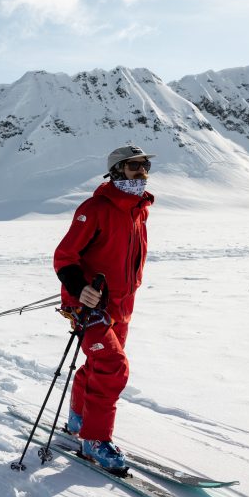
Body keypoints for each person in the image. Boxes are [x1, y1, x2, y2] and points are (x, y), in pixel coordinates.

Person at [53, 145, 155, 471]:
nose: (141, 172)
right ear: (116, 170)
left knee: (99, 364)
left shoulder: (138, 210)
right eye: (133, 166)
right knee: (112, 366)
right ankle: (94, 439)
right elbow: (64, 257)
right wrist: (79, 290)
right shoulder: (94, 209)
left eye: (145, 166)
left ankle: (78, 419)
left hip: (121, 306)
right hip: (88, 305)